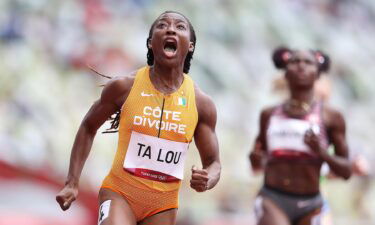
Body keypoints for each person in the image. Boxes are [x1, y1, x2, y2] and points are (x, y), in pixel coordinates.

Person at [56, 11, 221, 225]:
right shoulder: (124, 86)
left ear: (190, 46)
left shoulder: (201, 103)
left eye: (180, 27)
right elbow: (88, 126)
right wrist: (72, 181)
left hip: (163, 206)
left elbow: (214, 163)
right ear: (151, 43)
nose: (170, 28)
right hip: (119, 193)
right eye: (162, 25)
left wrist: (208, 179)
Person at [249, 47, 351, 225]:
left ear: (318, 74)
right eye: (295, 62)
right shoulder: (269, 114)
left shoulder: (331, 117)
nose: (301, 66)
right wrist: (255, 160)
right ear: (285, 73)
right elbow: (257, 165)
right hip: (273, 199)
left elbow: (346, 171)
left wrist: (321, 152)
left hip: (312, 204)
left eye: (308, 62)